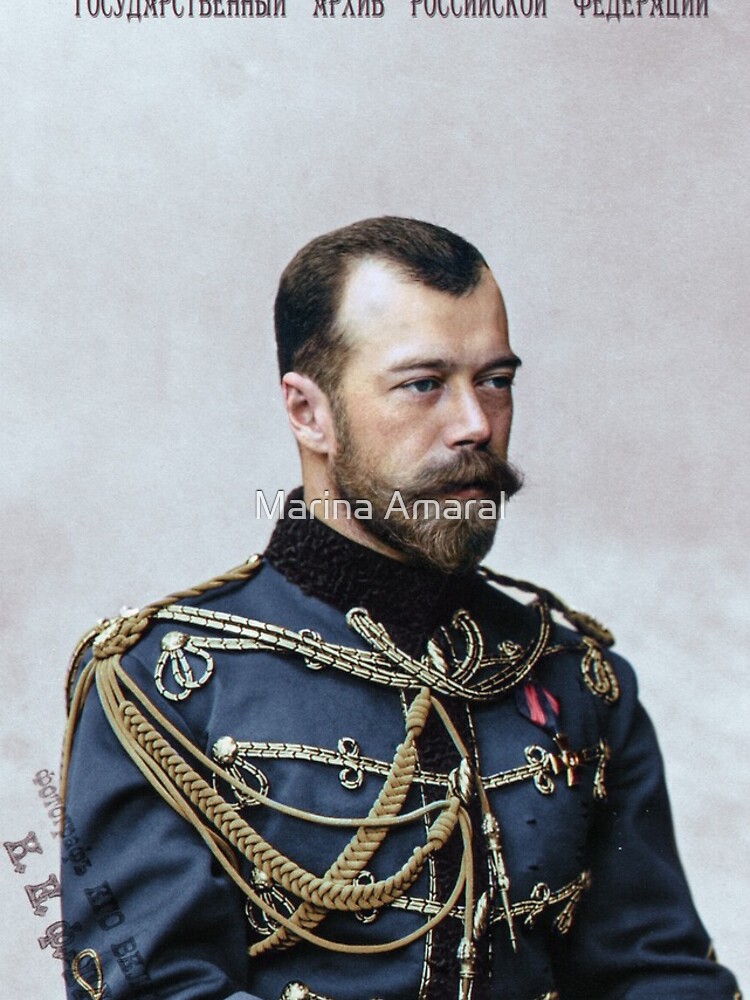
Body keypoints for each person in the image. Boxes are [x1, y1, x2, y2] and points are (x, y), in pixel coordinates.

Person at [60, 217, 741, 1000]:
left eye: (496, 379)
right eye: (424, 384)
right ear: (308, 412)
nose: (476, 424)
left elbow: (661, 977)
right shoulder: (160, 690)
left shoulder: (576, 680)